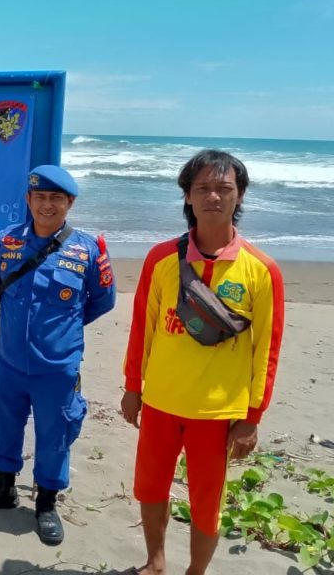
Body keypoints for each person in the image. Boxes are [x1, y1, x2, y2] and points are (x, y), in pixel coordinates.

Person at [121, 150, 284, 575]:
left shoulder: (262, 270)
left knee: (206, 500)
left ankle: (196, 572)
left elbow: (266, 350)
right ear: (188, 197)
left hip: (217, 411)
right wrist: (133, 388)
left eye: (224, 188)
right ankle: (155, 563)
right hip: (160, 401)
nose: (214, 196)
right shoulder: (160, 259)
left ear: (239, 195)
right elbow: (144, 329)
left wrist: (252, 417)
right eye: (203, 189)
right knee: (150, 487)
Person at [0, 164, 116, 545]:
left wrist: (59, 332)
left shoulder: (89, 250)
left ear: (69, 203)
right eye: (40, 197)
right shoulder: (6, 242)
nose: (47, 205)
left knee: (55, 435)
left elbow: (101, 301)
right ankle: (3, 488)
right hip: (11, 362)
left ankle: (46, 503)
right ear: (28, 199)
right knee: (4, 425)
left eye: (56, 198)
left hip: (57, 367)